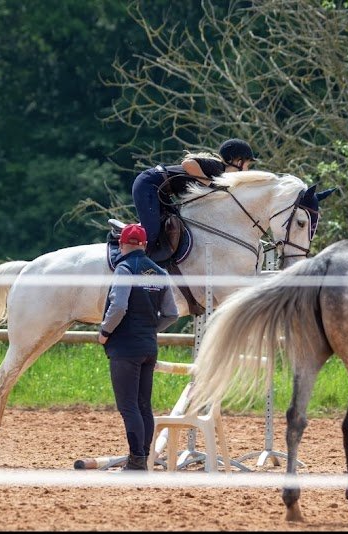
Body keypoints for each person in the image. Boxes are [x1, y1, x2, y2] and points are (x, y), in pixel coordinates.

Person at [98, 223, 180, 470]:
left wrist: (104, 331)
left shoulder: (124, 269)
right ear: (144, 245)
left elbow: (119, 306)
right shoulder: (159, 272)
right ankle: (143, 459)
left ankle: (136, 462)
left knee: (128, 406)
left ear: (121, 244)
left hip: (125, 348)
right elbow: (172, 314)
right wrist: (150, 328)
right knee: (144, 405)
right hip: (148, 346)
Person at [131, 138, 258, 261]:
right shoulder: (217, 167)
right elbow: (187, 164)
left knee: (175, 228)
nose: (247, 169)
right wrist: (208, 183)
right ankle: (135, 264)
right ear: (238, 161)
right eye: (248, 165)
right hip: (148, 184)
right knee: (152, 233)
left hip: (160, 190)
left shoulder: (221, 175)